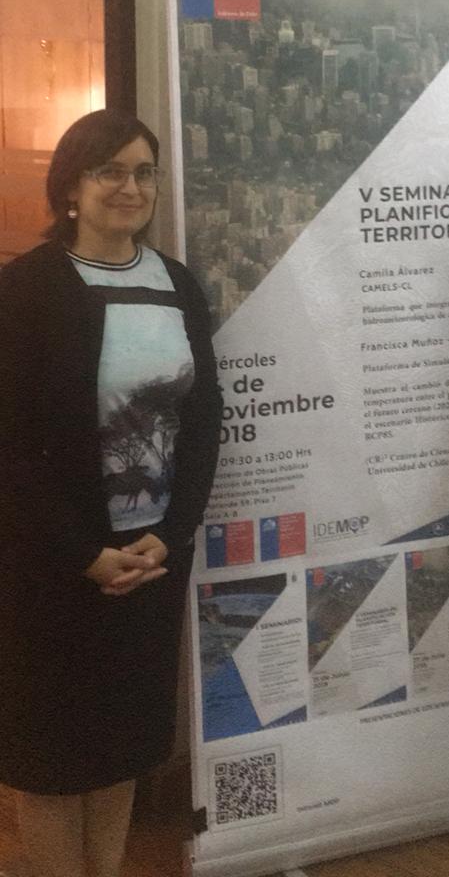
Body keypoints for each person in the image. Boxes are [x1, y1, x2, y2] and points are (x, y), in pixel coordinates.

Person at [0, 109, 222, 877]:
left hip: (150, 557)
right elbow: (9, 448)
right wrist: (82, 554)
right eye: (109, 171)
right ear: (71, 187)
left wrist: (175, 532)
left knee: (122, 743)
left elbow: (204, 421)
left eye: (143, 172)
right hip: (54, 567)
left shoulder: (177, 284)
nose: (130, 187)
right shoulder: (26, 288)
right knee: (53, 757)